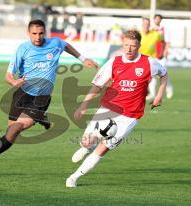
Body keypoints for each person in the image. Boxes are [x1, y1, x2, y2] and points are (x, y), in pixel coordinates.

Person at [0, 19, 98, 172]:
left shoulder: (55, 43)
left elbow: (66, 45)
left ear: (45, 33)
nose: (38, 37)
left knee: (16, 129)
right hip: (22, 94)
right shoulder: (23, 49)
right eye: (34, 33)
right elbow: (8, 75)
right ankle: (42, 118)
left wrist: (83, 59)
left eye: (41, 33)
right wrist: (13, 82)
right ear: (28, 33)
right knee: (10, 133)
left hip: (41, 98)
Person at [66, 29, 167, 188]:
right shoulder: (114, 62)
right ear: (122, 44)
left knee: (103, 148)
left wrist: (159, 95)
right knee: (86, 142)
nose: (129, 49)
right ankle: (86, 148)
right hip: (108, 109)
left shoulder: (149, 62)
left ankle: (74, 177)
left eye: (133, 46)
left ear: (139, 45)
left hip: (130, 116)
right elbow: (97, 86)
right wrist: (83, 105)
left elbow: (164, 74)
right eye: (126, 45)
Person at [139, 17, 164, 101]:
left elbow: (163, 41)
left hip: (151, 59)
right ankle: (146, 92)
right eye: (144, 24)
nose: (146, 25)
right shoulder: (138, 34)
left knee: (151, 76)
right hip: (139, 59)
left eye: (147, 24)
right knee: (140, 78)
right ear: (142, 25)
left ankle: (152, 94)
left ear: (150, 25)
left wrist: (162, 52)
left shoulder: (156, 34)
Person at [152, 14, 173, 99]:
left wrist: (165, 52)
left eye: (159, 19)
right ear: (154, 20)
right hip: (152, 55)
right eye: (156, 19)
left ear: (161, 20)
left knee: (163, 73)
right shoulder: (150, 29)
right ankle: (152, 94)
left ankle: (169, 88)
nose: (157, 20)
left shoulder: (164, 30)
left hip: (161, 55)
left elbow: (167, 42)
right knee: (151, 74)